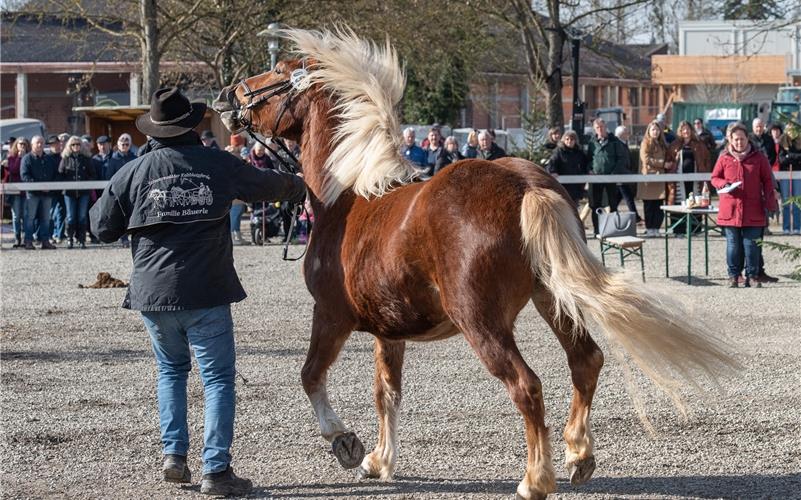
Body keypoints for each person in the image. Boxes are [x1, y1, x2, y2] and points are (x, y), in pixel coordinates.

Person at [90, 87, 305, 496]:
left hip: (153, 295)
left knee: (171, 372)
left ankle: (174, 456)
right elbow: (267, 185)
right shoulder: (217, 163)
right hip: (206, 290)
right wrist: (301, 183)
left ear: (154, 130)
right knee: (217, 379)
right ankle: (216, 470)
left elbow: (101, 227)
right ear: (190, 126)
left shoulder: (134, 171)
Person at [711, 122, 778, 288]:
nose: (739, 142)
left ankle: (753, 276)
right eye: (736, 139)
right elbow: (714, 178)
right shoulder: (724, 157)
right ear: (730, 140)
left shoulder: (759, 158)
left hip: (753, 208)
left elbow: (768, 180)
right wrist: (723, 184)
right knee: (733, 245)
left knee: (751, 245)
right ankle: (734, 275)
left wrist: (771, 201)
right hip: (730, 208)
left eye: (742, 139)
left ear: (747, 139)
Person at [586, 118, 628, 236]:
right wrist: (589, 170)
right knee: (595, 205)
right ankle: (597, 230)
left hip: (611, 178)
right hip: (595, 178)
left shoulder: (614, 141)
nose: (600, 129)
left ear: (606, 127)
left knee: (613, 204)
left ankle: (613, 229)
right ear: (595, 129)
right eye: (597, 127)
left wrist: (614, 173)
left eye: (602, 127)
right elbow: (588, 159)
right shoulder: (592, 143)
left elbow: (621, 159)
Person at [20, 135, 58, 250]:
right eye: (37, 143)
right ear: (32, 145)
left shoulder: (49, 159)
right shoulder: (27, 159)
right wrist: (39, 187)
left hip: (47, 194)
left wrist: (49, 187)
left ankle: (45, 241)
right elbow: (24, 176)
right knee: (30, 218)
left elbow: (55, 174)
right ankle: (28, 241)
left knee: (46, 219)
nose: (40, 145)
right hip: (32, 194)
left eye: (42, 142)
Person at [60, 135, 96, 249]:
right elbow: (60, 174)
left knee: (82, 216)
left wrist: (86, 183)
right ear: (69, 146)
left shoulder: (86, 159)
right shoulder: (65, 158)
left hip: (83, 193)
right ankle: (70, 239)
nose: (76, 146)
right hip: (69, 193)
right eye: (73, 144)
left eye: (78, 144)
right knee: (70, 217)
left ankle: (81, 240)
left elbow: (93, 174)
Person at [638, 121, 672, 237]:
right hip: (649, 178)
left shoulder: (662, 144)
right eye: (653, 129)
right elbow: (646, 159)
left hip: (660, 178)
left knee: (659, 205)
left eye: (657, 130)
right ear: (649, 131)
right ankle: (650, 228)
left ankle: (657, 228)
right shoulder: (645, 143)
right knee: (649, 205)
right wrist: (662, 164)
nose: (655, 132)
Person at [666, 120, 712, 205]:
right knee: (679, 204)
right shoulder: (674, 145)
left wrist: (705, 172)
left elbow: (707, 159)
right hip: (679, 180)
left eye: (687, 129)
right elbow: (669, 160)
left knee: (695, 202)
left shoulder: (699, 144)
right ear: (680, 131)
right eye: (683, 129)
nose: (686, 131)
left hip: (695, 180)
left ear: (691, 130)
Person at [546, 130, 588, 206]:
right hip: (562, 187)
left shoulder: (579, 152)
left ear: (575, 140)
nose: (569, 141)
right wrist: (552, 171)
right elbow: (552, 163)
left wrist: (584, 177)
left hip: (576, 187)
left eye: (572, 139)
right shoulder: (559, 151)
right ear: (563, 140)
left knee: (574, 209)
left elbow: (585, 165)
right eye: (567, 139)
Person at [5, 137, 30, 247]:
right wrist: (20, 158)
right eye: (20, 144)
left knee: (25, 215)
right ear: (16, 145)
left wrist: (24, 157)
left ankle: (25, 238)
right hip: (15, 191)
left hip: (26, 191)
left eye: (24, 144)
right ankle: (17, 238)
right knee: (16, 216)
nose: (22, 146)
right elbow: (14, 170)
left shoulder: (30, 157)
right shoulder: (11, 158)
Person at [614, 124, 642, 223]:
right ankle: (636, 217)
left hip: (624, 175)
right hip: (621, 176)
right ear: (621, 134)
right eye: (626, 133)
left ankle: (611, 210)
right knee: (628, 197)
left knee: (619, 197)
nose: (628, 134)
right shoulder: (618, 145)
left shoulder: (623, 143)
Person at [778, 122, 801, 234]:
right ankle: (786, 227)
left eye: (794, 130)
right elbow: (782, 160)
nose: (792, 133)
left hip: (798, 174)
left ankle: (797, 227)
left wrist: (790, 156)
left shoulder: (799, 142)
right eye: (789, 130)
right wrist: (792, 157)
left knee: (797, 201)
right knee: (786, 201)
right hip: (785, 174)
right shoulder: (782, 142)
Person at [46, 135, 67, 243]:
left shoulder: (63, 157)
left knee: (62, 213)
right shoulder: (46, 157)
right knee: (50, 214)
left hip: (62, 189)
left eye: (57, 144)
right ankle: (49, 235)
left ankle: (60, 234)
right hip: (50, 190)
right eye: (54, 144)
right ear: (50, 146)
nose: (56, 146)